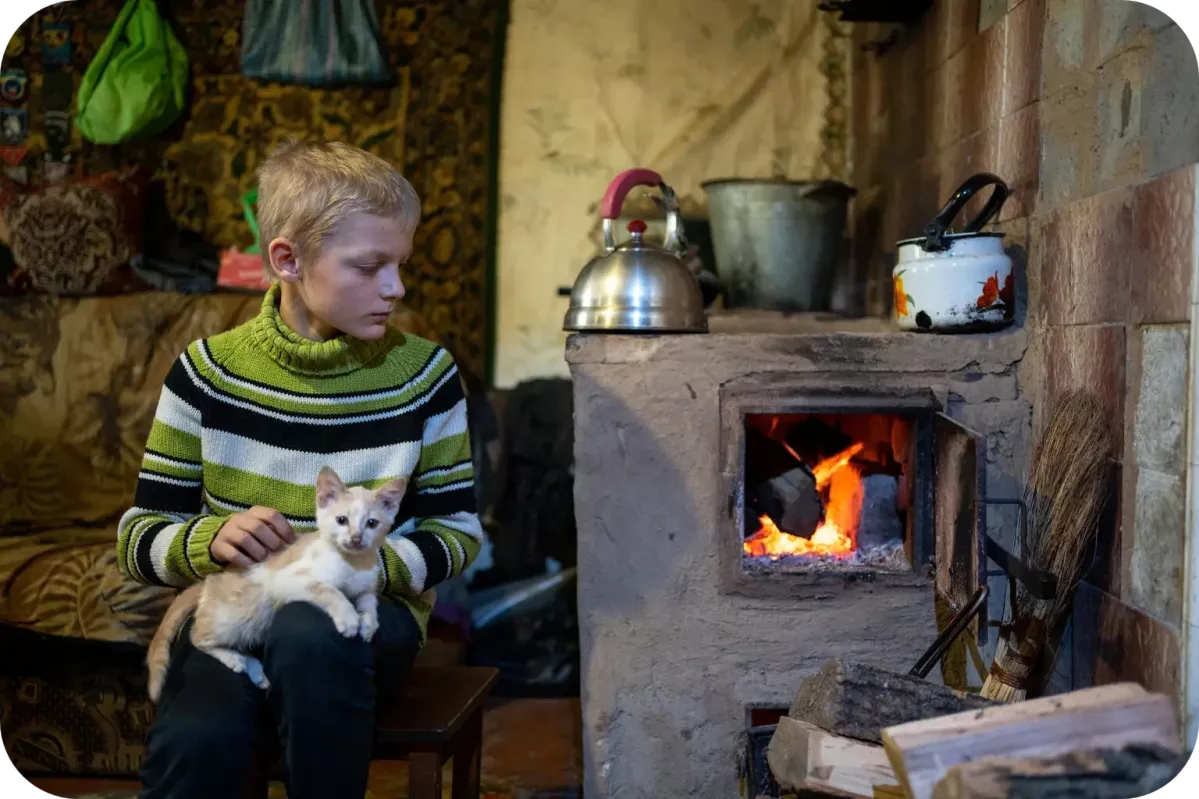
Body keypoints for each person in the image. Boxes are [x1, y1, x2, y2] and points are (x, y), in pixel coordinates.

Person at [117, 140, 483, 799]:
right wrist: (207, 540)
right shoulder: (206, 375)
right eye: (369, 266)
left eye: (399, 264)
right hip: (241, 608)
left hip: (365, 623)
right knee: (198, 741)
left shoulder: (426, 379)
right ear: (287, 259)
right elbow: (141, 536)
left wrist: (359, 564)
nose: (395, 287)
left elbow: (457, 530)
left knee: (310, 631)